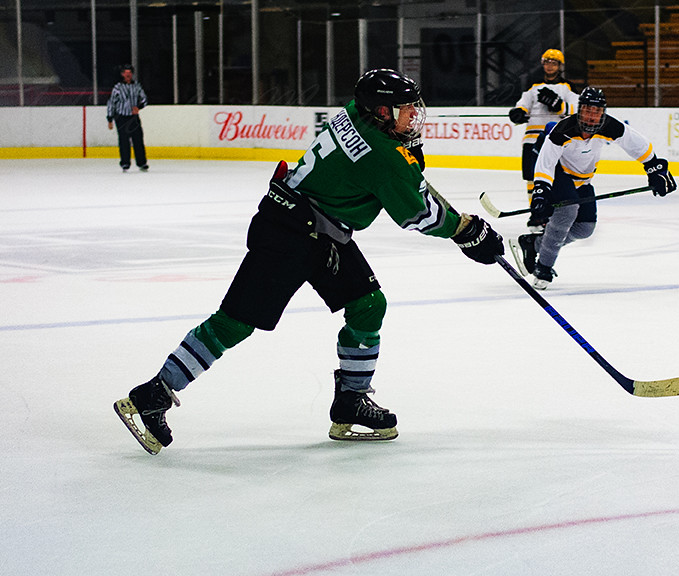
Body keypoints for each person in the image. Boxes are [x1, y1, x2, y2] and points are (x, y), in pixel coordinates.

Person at [113, 69, 505, 453]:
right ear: (382, 112)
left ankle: (351, 399)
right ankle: (154, 394)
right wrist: (467, 231)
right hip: (290, 233)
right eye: (404, 108)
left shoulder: (356, 112)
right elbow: (418, 215)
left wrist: (411, 169)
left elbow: (398, 175)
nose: (413, 115)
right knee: (235, 321)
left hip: (317, 228)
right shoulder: (385, 156)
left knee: (368, 304)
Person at [508, 86, 677, 290]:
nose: (591, 117)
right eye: (587, 110)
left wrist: (654, 167)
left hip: (582, 179)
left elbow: (636, 144)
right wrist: (541, 191)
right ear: (580, 110)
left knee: (585, 228)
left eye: (596, 112)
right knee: (568, 210)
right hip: (557, 171)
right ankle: (543, 267)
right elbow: (546, 163)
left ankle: (533, 244)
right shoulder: (563, 130)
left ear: (602, 113)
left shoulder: (609, 126)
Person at [508, 49, 581, 222]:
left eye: (554, 63)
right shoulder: (534, 87)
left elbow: (575, 110)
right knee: (531, 178)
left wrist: (558, 105)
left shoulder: (568, 87)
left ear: (560, 66)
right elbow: (524, 105)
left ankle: (556, 212)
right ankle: (537, 212)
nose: (550, 66)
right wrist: (518, 113)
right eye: (547, 62)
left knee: (554, 176)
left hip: (555, 139)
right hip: (531, 139)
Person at [106, 64, 149, 172]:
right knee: (124, 141)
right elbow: (111, 103)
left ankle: (142, 162)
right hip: (121, 117)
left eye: (129, 72)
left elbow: (144, 99)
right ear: (122, 74)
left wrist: (139, 107)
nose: (128, 74)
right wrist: (110, 118)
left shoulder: (137, 86)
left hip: (134, 118)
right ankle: (125, 163)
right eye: (126, 72)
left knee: (138, 139)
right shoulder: (118, 87)